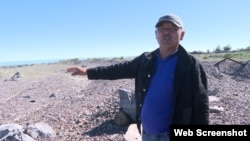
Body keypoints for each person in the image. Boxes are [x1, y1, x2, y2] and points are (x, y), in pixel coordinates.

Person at [67, 14, 209, 141]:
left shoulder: (190, 64)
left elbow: (201, 104)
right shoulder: (145, 60)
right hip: (147, 133)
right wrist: (88, 72)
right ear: (156, 34)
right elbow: (117, 70)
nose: (166, 32)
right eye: (161, 28)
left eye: (172, 28)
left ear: (182, 34)